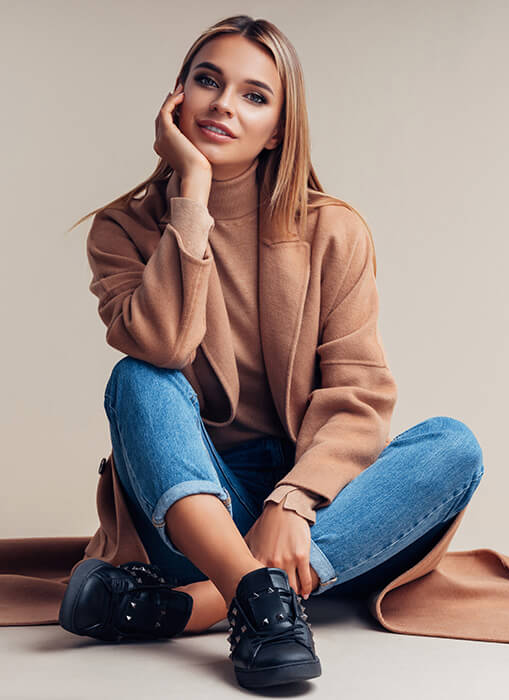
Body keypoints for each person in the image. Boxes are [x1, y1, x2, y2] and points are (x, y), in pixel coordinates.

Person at [59, 14, 485, 690]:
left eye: (255, 95)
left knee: (453, 446)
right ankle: (256, 595)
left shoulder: (333, 230)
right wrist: (191, 189)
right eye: (208, 82)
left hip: (312, 506)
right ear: (177, 98)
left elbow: (358, 395)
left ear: (280, 128)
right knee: (139, 377)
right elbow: (165, 343)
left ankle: (200, 605)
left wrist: (293, 500)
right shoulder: (123, 231)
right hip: (193, 508)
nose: (225, 105)